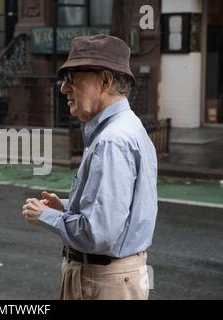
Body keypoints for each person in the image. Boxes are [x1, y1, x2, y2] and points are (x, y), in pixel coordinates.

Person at [21, 34, 157, 300]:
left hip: (103, 280)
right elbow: (117, 209)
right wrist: (68, 206)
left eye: (72, 77)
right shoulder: (128, 127)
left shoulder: (112, 140)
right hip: (112, 277)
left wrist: (46, 216)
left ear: (105, 80)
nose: (64, 88)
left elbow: (100, 233)